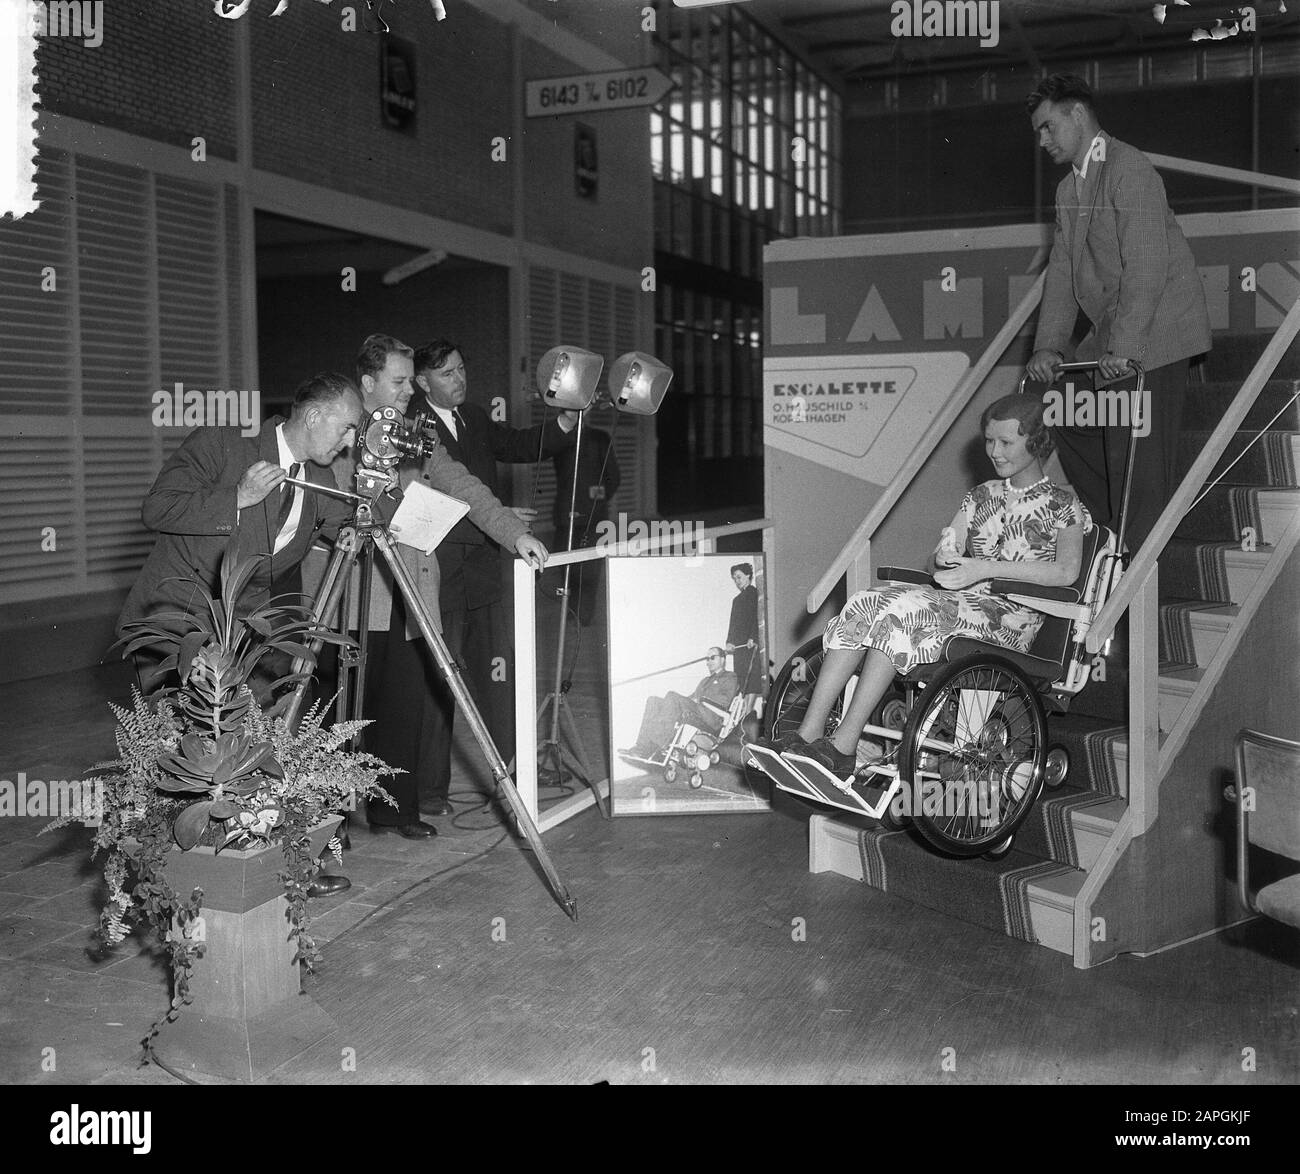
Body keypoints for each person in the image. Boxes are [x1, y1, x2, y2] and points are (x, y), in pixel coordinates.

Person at [118, 372, 365, 898]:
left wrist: (364, 510)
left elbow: (356, 521)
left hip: (244, 643)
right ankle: (193, 890)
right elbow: (156, 508)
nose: (347, 443)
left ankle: (275, 874)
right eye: (345, 429)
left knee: (258, 753)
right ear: (315, 416)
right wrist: (239, 496)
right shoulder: (222, 445)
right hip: (177, 630)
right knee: (187, 762)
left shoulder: (316, 482)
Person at [769, 396, 1091, 782]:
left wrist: (982, 567)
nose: (994, 452)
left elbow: (1066, 572)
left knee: (904, 614)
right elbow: (942, 557)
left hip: (1011, 617)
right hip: (965, 604)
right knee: (865, 601)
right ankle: (808, 734)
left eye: (1006, 442)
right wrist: (946, 555)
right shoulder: (981, 495)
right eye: (990, 441)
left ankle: (844, 745)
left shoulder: (1062, 503)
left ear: (1036, 442)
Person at [333, 335, 549, 839]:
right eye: (400, 381)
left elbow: (467, 487)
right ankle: (329, 822)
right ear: (368, 383)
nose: (410, 390)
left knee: (404, 706)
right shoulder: (338, 431)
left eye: (412, 380)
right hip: (352, 595)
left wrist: (515, 535)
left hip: (407, 592)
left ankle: (397, 810)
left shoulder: (416, 433)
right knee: (341, 710)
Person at [1025, 74, 1211, 552]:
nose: (1042, 140)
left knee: (1139, 466)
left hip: (1159, 330)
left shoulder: (1130, 169)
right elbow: (1063, 272)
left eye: (1048, 127)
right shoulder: (1069, 189)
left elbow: (1148, 267)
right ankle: (1115, 533)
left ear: (1079, 115)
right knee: (1057, 405)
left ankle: (1139, 561)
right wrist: (1049, 345)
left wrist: (1126, 350)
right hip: (1117, 332)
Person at [410, 340, 576, 815]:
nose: (459, 380)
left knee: (496, 671)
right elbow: (423, 499)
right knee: (440, 677)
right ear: (423, 382)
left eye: (462, 369)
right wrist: (497, 517)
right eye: (446, 374)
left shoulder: (475, 417)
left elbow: (521, 444)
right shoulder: (411, 426)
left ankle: (512, 770)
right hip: (438, 565)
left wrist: (564, 420)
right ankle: (429, 790)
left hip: (482, 568)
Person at [550, 420, 620, 627]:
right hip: (566, 515)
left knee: (589, 566)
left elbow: (613, 478)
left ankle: (584, 615)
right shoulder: (559, 438)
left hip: (592, 516)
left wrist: (593, 496)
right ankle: (572, 611)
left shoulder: (600, 438)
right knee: (565, 565)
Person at [621, 648, 739, 759]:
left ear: (723, 659)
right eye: (707, 659)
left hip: (711, 718)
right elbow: (691, 698)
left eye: (712, 657)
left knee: (672, 696)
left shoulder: (730, 677)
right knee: (654, 701)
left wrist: (701, 699)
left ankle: (656, 746)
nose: (708, 661)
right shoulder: (705, 680)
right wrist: (676, 701)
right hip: (696, 712)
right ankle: (642, 746)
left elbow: (725, 701)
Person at [724, 563, 763, 714]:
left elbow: (757, 616)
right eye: (734, 579)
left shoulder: (755, 593)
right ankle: (743, 712)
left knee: (752, 677)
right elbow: (732, 623)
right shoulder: (736, 600)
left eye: (739, 577)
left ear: (748, 575)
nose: (737, 581)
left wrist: (753, 636)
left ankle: (747, 712)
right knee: (741, 678)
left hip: (750, 643)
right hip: (739, 646)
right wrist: (729, 642)